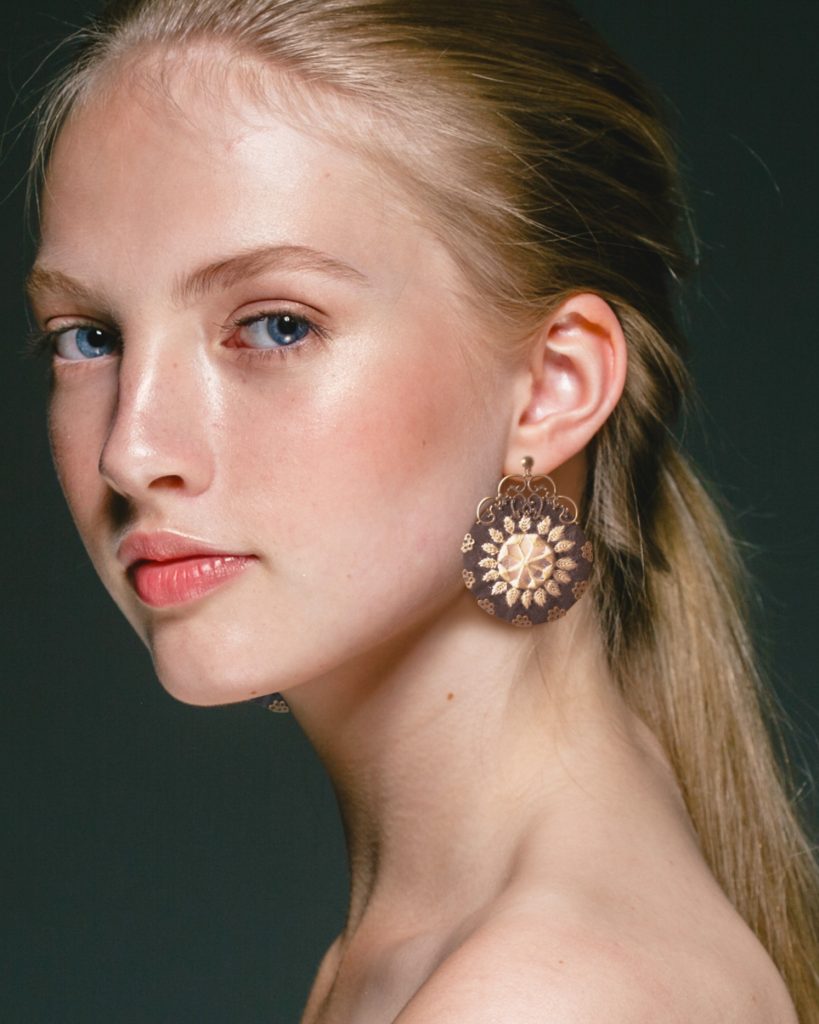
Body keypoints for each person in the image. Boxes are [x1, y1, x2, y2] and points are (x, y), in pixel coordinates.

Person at [25, 0, 818, 1020]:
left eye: (274, 324)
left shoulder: (534, 994)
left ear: (552, 386)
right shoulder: (440, 942)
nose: (131, 448)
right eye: (88, 336)